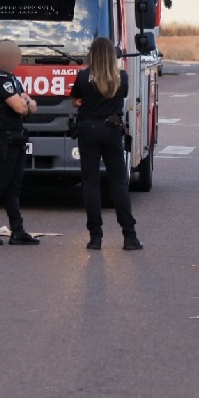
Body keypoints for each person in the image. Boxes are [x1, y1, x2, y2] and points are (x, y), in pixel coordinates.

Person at [71, 37, 142, 251]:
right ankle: (129, 236)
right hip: (112, 130)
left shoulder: (83, 76)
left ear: (92, 54)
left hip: (88, 129)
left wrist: (84, 102)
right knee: (118, 183)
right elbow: (122, 95)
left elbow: (76, 100)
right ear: (112, 55)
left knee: (90, 183)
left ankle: (95, 237)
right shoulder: (121, 77)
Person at [0, 40, 40, 245]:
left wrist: (26, 102)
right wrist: (25, 101)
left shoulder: (12, 79)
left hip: (16, 138)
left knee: (14, 186)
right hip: (5, 138)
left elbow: (33, 107)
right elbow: (21, 108)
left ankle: (17, 230)